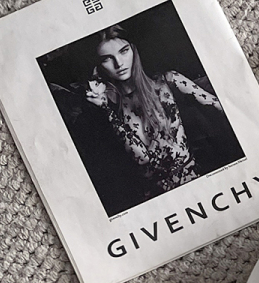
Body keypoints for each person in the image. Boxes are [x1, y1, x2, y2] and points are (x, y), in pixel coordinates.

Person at [83, 26, 232, 198]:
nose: (119, 63)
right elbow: (142, 157)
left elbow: (219, 105)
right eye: (107, 59)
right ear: (98, 66)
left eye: (124, 51)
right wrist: (106, 110)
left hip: (195, 181)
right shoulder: (108, 106)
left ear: (134, 49)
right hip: (155, 197)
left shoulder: (167, 81)